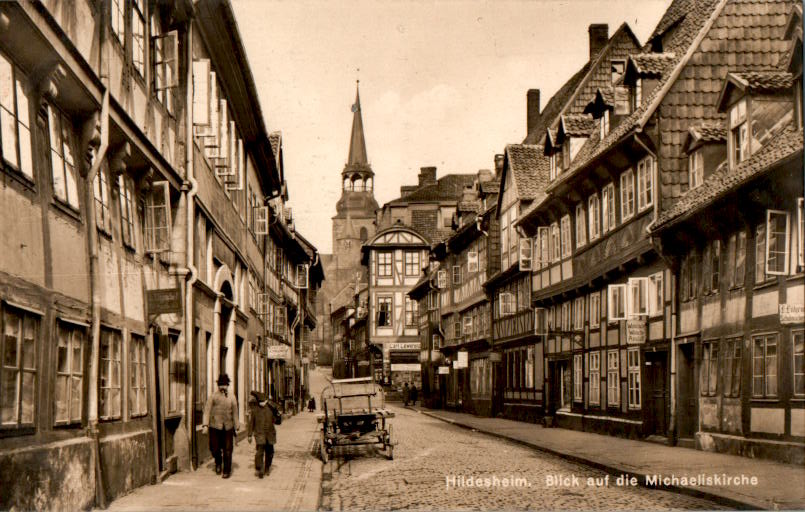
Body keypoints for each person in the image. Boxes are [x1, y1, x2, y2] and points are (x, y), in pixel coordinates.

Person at [202, 374, 239, 478]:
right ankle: (218, 462)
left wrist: (236, 425)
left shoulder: (232, 397)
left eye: (225, 385)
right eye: (221, 385)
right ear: (218, 386)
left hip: (228, 427)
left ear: (228, 385)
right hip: (215, 426)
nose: (223, 387)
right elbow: (207, 411)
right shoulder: (213, 396)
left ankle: (226, 471)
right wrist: (205, 425)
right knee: (214, 448)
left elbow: (235, 412)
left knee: (228, 449)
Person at [247, 391, 280, 478]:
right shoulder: (255, 410)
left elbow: (278, 421)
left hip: (270, 434)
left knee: (270, 453)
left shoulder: (271, 409)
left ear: (266, 401)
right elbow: (251, 423)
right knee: (259, 452)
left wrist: (278, 414)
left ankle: (267, 468)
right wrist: (249, 435)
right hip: (259, 434)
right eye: (260, 402)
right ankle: (260, 468)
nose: (262, 404)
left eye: (263, 402)